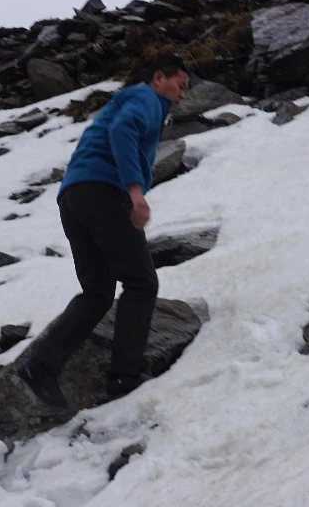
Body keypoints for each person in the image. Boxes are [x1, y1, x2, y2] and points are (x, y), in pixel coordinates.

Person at [17, 54, 191, 408]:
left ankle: (41, 366)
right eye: (181, 86)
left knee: (97, 292)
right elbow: (123, 130)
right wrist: (135, 191)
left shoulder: (128, 100)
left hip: (74, 197)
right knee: (142, 283)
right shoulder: (147, 99)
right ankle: (124, 376)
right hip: (104, 192)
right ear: (159, 77)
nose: (183, 95)